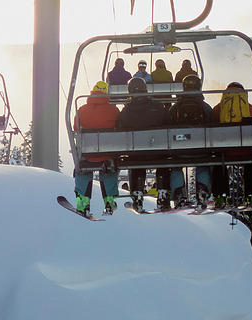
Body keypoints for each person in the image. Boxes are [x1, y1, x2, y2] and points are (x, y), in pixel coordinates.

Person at [116, 77, 169, 211]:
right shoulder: (158, 106)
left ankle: (137, 195)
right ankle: (163, 193)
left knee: (135, 163)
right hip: (157, 152)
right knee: (164, 162)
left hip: (137, 153)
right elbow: (169, 122)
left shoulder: (127, 111)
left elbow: (119, 128)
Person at [73, 80, 121, 215]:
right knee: (109, 170)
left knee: (82, 169)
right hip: (107, 154)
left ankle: (83, 203)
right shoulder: (114, 110)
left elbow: (76, 128)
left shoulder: (82, 109)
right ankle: (109, 201)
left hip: (88, 154)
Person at [165, 75, 213, 210]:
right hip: (201, 150)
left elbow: (168, 125)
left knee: (176, 167)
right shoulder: (205, 107)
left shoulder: (175, 108)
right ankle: (202, 193)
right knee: (203, 165)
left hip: (179, 150)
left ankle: (179, 196)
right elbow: (213, 125)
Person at [211, 82, 252, 206]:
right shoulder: (250, 108)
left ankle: (220, 197)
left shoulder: (218, 108)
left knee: (218, 163)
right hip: (246, 150)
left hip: (224, 151)